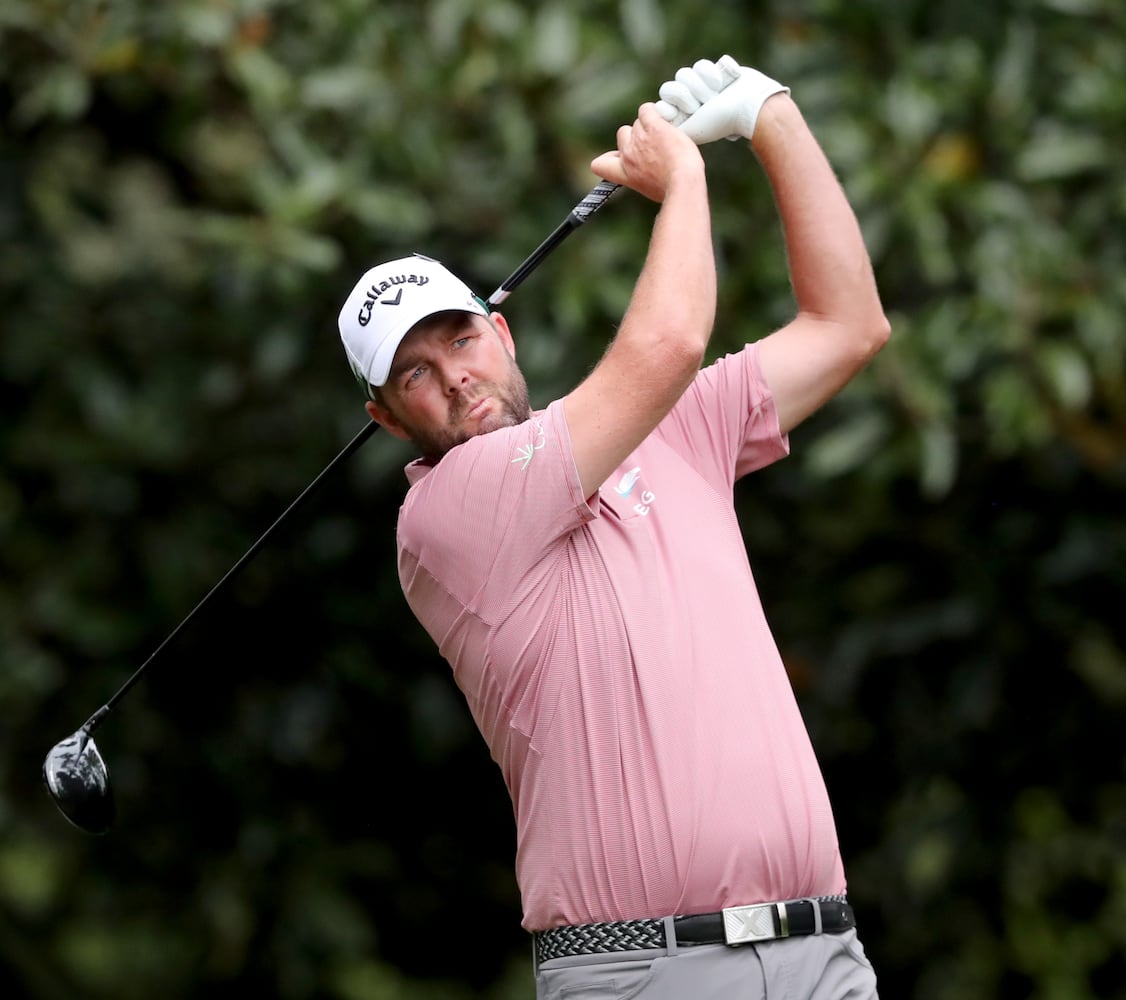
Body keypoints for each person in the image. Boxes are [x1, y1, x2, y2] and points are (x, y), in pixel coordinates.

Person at [336, 55, 890, 999]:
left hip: (821, 953)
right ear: (388, 420)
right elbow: (667, 344)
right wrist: (683, 182)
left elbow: (848, 325)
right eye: (415, 373)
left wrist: (770, 114)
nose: (455, 375)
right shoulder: (445, 517)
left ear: (502, 335)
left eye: (460, 338)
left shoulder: (675, 431)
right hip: (645, 970)